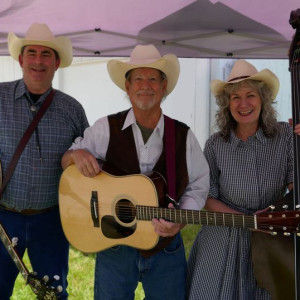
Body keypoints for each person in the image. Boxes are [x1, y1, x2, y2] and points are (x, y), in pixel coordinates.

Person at [61, 44, 209, 300]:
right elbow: (67, 161)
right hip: (114, 245)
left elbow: (198, 184)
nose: (145, 85)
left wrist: (180, 221)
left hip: (165, 250)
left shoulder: (183, 135)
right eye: (138, 78)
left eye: (153, 78)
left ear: (164, 87)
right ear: (127, 87)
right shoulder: (105, 127)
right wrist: (76, 155)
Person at [186, 59, 293, 300]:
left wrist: (274, 213)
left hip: (271, 233)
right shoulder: (215, 144)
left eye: (250, 95)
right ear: (227, 104)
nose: (243, 104)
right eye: (235, 97)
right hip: (223, 234)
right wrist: (247, 221)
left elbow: (294, 186)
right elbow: (207, 196)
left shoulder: (285, 136)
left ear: (263, 98)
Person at [0, 23, 89, 299]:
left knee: (53, 295)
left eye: (46, 54)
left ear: (57, 62)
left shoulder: (72, 109)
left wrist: (78, 155)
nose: (38, 61)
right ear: (21, 59)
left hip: (51, 219)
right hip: (3, 217)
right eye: (32, 53)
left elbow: (87, 158)